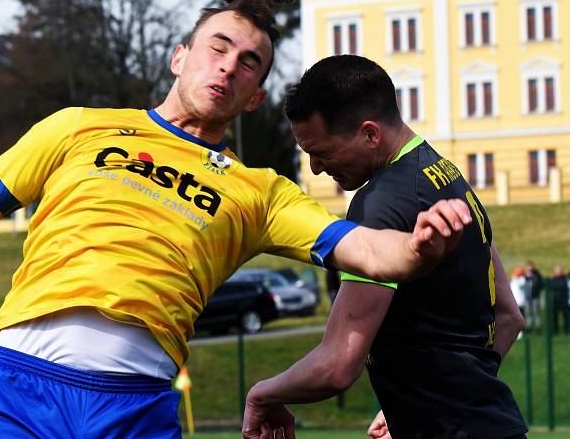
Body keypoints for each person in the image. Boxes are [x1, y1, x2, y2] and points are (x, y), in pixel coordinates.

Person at [0, 0, 470, 439]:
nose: (228, 67)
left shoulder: (258, 191)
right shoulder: (79, 127)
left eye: (249, 63)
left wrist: (420, 248)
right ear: (180, 55)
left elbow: (376, 257)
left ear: (255, 98)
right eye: (217, 47)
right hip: (22, 386)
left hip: (133, 404)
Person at [242, 55, 526, 439]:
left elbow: (338, 363)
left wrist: (262, 395)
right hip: (495, 424)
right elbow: (509, 317)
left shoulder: (380, 204)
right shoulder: (446, 175)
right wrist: (423, 404)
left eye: (322, 152)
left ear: (371, 134)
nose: (315, 168)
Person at [524, 260, 544, 330]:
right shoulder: (525, 275)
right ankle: (529, 326)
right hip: (527, 297)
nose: (529, 268)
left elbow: (541, 284)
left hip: (535, 296)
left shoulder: (537, 274)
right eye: (528, 266)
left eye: (530, 266)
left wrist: (537, 290)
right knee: (528, 312)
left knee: (536, 312)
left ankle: (538, 326)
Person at [551, 265, 570, 334]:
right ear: (555, 272)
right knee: (555, 316)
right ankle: (555, 330)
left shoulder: (565, 278)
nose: (559, 272)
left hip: (564, 300)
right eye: (557, 271)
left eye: (560, 271)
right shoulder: (553, 279)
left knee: (566, 316)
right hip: (555, 301)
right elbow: (552, 286)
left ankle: (567, 329)